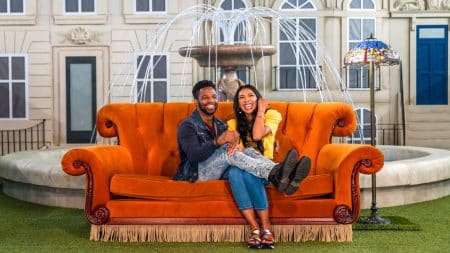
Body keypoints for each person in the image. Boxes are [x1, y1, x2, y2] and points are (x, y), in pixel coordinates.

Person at [174, 80, 309, 249]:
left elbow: (230, 149)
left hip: (219, 169)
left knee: (246, 156)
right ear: (196, 101)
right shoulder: (187, 125)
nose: (210, 101)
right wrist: (218, 141)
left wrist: (233, 146)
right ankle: (274, 174)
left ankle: (258, 228)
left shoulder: (220, 124)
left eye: (214, 96)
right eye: (205, 97)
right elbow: (193, 156)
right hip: (196, 173)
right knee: (229, 153)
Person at [225, 84, 311, 249]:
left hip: (263, 165)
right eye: (241, 98)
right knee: (235, 171)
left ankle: (263, 228)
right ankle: (257, 229)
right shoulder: (232, 123)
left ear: (258, 99)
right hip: (245, 166)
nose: (246, 100)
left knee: (246, 174)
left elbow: (257, 135)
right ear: (238, 104)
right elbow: (239, 152)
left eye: (250, 96)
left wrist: (261, 111)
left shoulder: (272, 115)